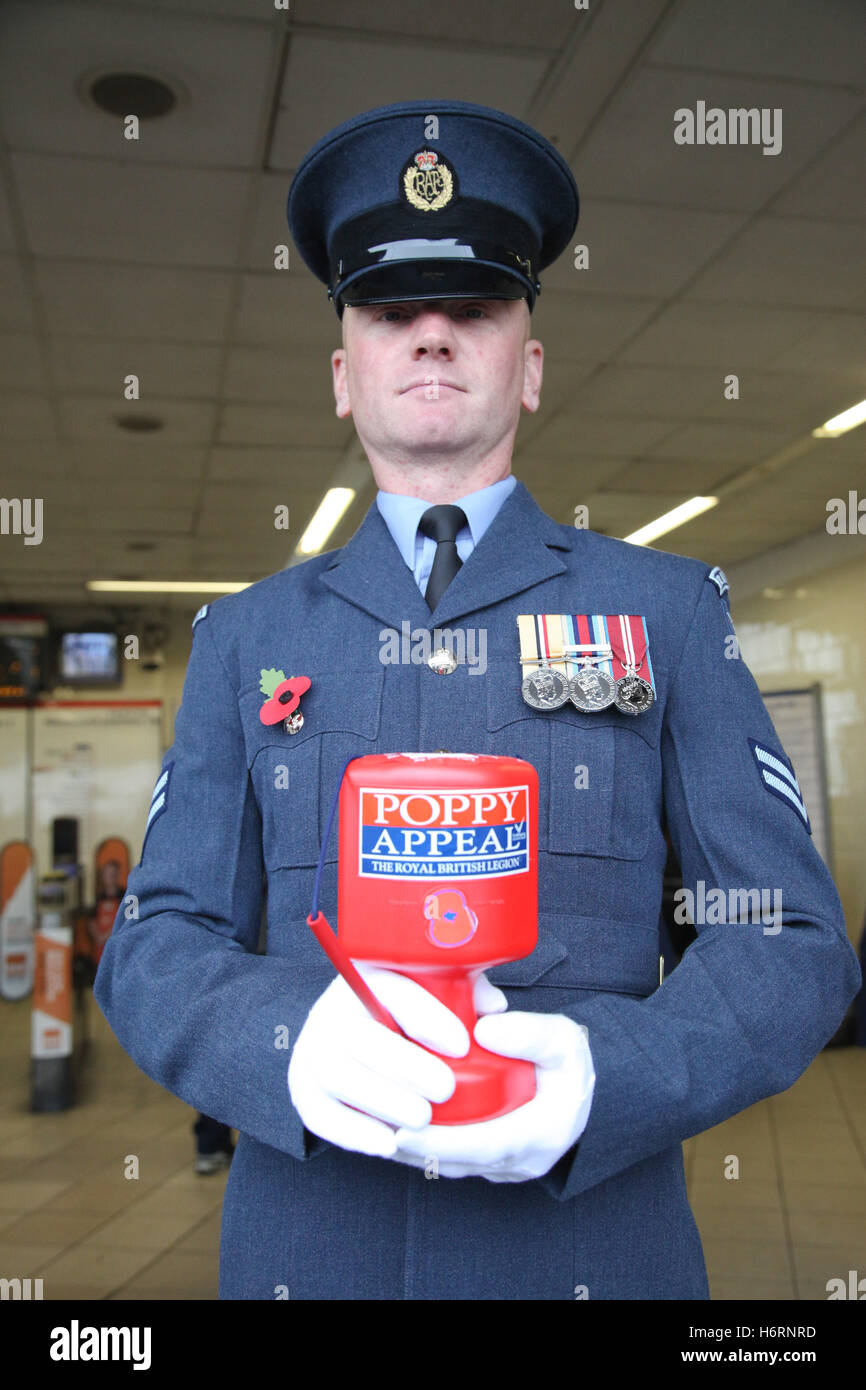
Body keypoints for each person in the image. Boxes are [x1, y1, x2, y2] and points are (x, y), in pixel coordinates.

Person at [94, 100, 861, 1301]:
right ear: (345, 376)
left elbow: (786, 939)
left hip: (586, 1261)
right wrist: (286, 1044)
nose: (432, 335)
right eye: (392, 311)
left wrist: (617, 1071)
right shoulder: (247, 635)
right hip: (311, 1258)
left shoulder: (664, 611)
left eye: (475, 308)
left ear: (529, 362)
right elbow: (152, 943)